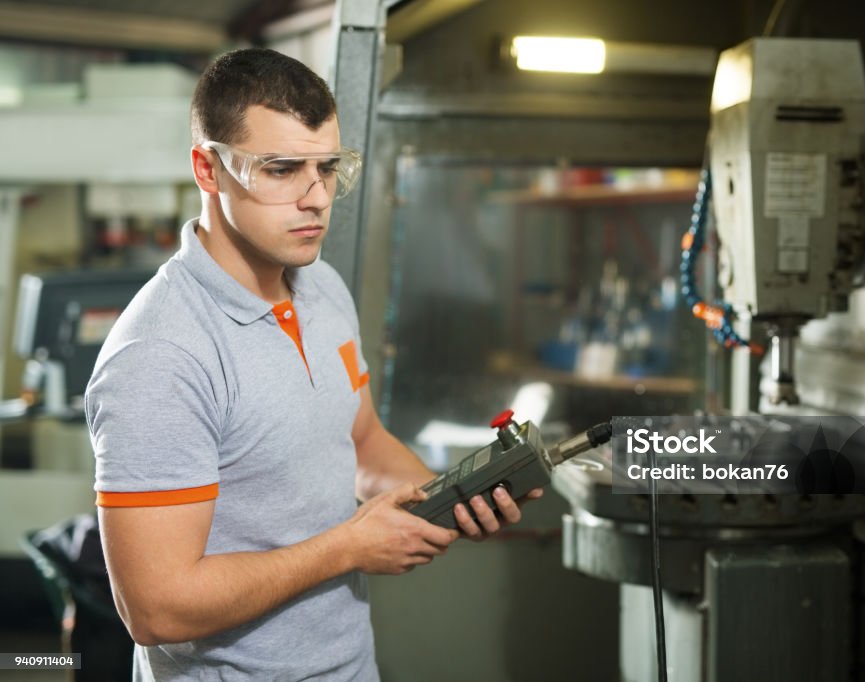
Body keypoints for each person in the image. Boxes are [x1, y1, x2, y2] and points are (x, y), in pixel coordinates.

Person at [85, 47, 541, 681]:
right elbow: (157, 609)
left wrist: (450, 504)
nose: (316, 197)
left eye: (328, 168)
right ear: (209, 170)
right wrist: (348, 548)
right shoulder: (160, 355)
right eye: (281, 169)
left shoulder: (322, 287)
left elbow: (362, 443)